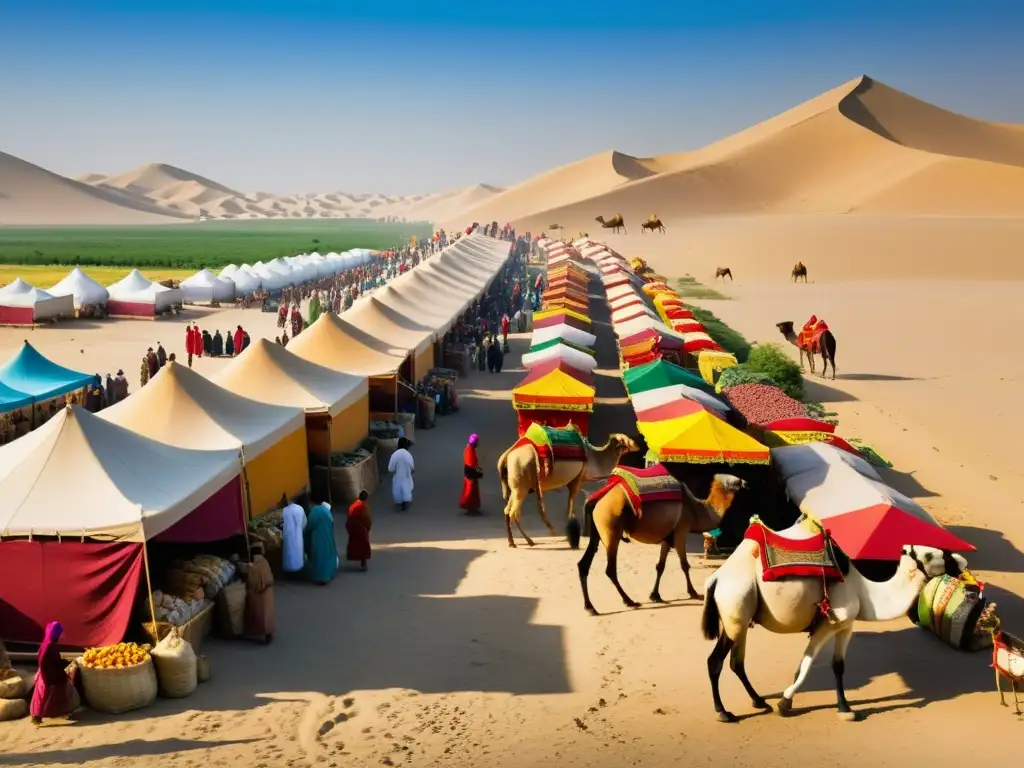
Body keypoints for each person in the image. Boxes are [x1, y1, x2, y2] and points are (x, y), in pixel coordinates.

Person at [30, 621, 77, 724]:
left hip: (43, 674)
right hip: (48, 676)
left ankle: (37, 716)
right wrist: (67, 665)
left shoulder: (46, 645)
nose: (63, 635)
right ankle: (42, 716)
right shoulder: (51, 648)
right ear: (57, 634)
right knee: (49, 695)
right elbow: (55, 663)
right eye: (61, 633)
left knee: (41, 697)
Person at [243, 543, 275, 644]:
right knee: (267, 615)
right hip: (268, 594)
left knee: (258, 613)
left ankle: (256, 632)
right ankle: (268, 633)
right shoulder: (265, 562)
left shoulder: (254, 567)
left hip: (259, 594)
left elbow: (252, 583)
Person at [304, 499, 339, 585]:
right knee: (327, 556)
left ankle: (319, 576)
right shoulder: (329, 515)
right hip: (328, 539)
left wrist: (303, 533)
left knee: (318, 556)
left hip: (317, 538)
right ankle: (326, 575)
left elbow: (309, 525)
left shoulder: (315, 511)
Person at [346, 490, 373, 571]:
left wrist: (349, 528)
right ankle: (363, 562)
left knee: (355, 545)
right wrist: (367, 528)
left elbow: (349, 517)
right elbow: (367, 519)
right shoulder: (364, 507)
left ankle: (356, 558)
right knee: (363, 546)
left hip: (353, 529)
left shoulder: (353, 506)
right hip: (362, 529)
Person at [281, 495, 307, 578]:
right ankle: (298, 570)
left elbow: (283, 523)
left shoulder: (285, 510)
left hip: (288, 536)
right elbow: (304, 522)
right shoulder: (300, 509)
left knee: (289, 553)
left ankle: (289, 572)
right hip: (298, 535)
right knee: (298, 552)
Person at [388, 437, 415, 511]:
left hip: (398, 476)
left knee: (397, 489)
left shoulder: (395, 454)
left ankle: (399, 502)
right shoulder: (408, 454)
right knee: (406, 488)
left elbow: (390, 468)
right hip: (406, 476)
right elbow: (412, 466)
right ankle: (406, 502)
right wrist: (412, 471)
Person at [459, 433, 483, 516]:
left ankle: (473, 507)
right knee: (470, 492)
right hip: (470, 475)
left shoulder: (470, 449)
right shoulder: (469, 450)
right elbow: (470, 464)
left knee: (473, 492)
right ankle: (470, 508)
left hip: (472, 473)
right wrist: (475, 473)